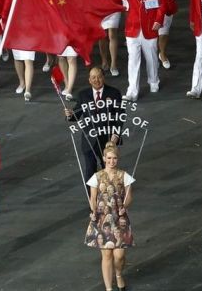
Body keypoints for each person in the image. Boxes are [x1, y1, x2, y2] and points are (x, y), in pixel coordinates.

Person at [113, 0, 167, 102]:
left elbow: (162, 4)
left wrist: (158, 20)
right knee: (133, 60)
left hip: (150, 27)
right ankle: (132, 90)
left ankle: (154, 81)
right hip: (132, 28)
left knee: (151, 58)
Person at [85, 142, 135, 291]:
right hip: (102, 218)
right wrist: (93, 211)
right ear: (104, 158)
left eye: (114, 158)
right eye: (109, 158)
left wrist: (124, 207)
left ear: (117, 159)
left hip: (119, 219)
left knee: (119, 256)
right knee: (106, 255)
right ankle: (108, 288)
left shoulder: (124, 176)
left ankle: (118, 274)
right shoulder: (97, 177)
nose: (111, 161)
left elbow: (130, 196)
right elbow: (92, 198)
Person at [64, 67, 123, 188]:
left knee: (109, 169)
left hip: (107, 140)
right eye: (93, 77)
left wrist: (115, 137)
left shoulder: (114, 93)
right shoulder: (83, 95)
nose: (97, 80)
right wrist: (70, 115)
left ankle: (111, 196)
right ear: (89, 80)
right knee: (90, 169)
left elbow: (120, 117)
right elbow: (76, 115)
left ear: (104, 77)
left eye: (99, 77)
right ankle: (92, 199)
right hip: (89, 139)